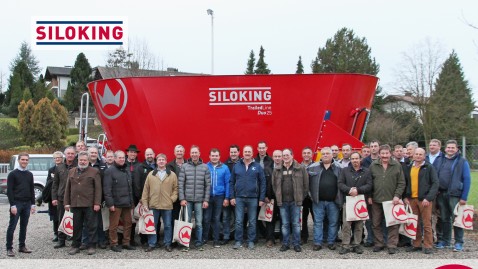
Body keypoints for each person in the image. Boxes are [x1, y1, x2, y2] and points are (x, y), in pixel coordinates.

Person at [435, 140, 471, 252]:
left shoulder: (462, 161)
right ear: (445, 148)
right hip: (441, 193)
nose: (450, 149)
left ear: (457, 149)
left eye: (452, 147)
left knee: (457, 219)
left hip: (455, 194)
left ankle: (459, 242)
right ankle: (445, 240)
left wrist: (464, 197)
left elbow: (467, 179)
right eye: (448, 147)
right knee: (445, 218)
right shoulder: (440, 160)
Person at [369, 144, 406, 254]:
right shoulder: (373, 165)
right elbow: (369, 182)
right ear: (379, 154)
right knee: (375, 223)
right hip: (376, 199)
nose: (385, 155)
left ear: (391, 153)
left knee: (393, 224)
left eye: (387, 153)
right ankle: (379, 243)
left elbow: (401, 183)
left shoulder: (397, 165)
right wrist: (370, 196)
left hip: (391, 200)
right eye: (383, 153)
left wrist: (397, 196)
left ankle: (392, 244)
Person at [64, 151, 102, 255]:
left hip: (89, 203)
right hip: (75, 203)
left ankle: (91, 245)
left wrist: (97, 203)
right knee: (76, 226)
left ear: (88, 161)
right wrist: (66, 203)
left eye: (85, 160)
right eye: (81, 160)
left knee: (91, 226)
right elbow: (68, 188)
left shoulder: (94, 172)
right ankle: (75, 245)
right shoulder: (71, 171)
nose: (83, 161)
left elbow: (98, 189)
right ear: (78, 160)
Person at [272, 149, 309, 252]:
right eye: (284, 155)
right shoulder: (277, 169)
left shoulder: (300, 168)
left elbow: (306, 185)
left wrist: (301, 197)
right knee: (285, 224)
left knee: (296, 223)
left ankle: (296, 244)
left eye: (287, 155)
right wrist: (278, 196)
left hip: (295, 201)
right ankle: (285, 243)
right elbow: (274, 185)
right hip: (283, 201)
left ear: (292, 155)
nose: (285, 157)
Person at [230, 145, 266, 250]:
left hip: (253, 198)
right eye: (245, 151)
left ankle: (251, 241)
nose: (247, 153)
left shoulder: (257, 166)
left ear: (252, 153)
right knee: (239, 221)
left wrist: (261, 198)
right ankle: (238, 241)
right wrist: (232, 196)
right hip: (239, 197)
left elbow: (262, 182)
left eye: (249, 152)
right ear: (242, 153)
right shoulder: (237, 165)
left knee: (252, 221)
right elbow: (231, 182)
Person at [403, 148, 439, 255]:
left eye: (420, 154)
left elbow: (435, 183)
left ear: (424, 156)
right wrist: (405, 196)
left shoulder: (429, 167)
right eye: (416, 154)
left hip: (424, 200)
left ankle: (428, 245)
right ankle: (416, 244)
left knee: (427, 223)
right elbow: (405, 183)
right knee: (415, 223)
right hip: (412, 199)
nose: (418, 156)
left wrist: (428, 198)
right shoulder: (409, 167)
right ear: (413, 155)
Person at [141, 153, 178, 253]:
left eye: (163, 160)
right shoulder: (151, 174)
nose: (161, 161)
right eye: (159, 160)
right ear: (156, 162)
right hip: (154, 204)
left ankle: (167, 244)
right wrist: (145, 203)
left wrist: (172, 199)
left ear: (166, 161)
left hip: (167, 205)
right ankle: (152, 244)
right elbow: (145, 190)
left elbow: (176, 189)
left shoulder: (172, 174)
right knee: (152, 225)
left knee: (168, 225)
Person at [337, 152, 372, 255]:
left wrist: (358, 190)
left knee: (359, 224)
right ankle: (345, 245)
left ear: (360, 159)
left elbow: (369, 185)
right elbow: (340, 183)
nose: (355, 160)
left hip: (360, 200)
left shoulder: (366, 171)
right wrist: (349, 190)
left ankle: (357, 244)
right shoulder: (345, 171)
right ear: (350, 160)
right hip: (348, 200)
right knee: (346, 224)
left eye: (357, 158)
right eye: (353, 159)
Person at [307, 147, 342, 251]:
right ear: (320, 155)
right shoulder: (312, 167)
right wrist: (310, 195)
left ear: (332, 155)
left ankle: (331, 242)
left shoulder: (339, 168)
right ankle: (317, 243)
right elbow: (306, 183)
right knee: (318, 222)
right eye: (323, 153)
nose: (325, 155)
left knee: (333, 222)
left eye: (328, 153)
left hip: (334, 201)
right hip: (318, 201)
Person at [178, 145, 211, 251]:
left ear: (199, 153)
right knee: (186, 222)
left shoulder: (205, 167)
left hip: (199, 200)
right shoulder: (185, 166)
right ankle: (185, 244)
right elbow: (181, 184)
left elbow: (207, 185)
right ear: (190, 154)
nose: (194, 154)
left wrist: (206, 200)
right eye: (192, 153)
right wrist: (182, 198)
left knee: (199, 223)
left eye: (196, 152)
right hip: (187, 200)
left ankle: (198, 243)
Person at [103, 150, 136, 252]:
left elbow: (130, 188)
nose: (122, 159)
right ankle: (113, 243)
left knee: (128, 223)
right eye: (119, 158)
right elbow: (107, 189)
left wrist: (132, 202)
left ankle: (126, 242)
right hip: (116, 204)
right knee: (114, 225)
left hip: (127, 202)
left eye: (123, 158)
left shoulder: (126, 169)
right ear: (115, 158)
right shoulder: (109, 171)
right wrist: (110, 204)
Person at [6, 153, 36, 257]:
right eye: (22, 159)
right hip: (17, 203)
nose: (24, 161)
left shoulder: (29, 174)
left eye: (26, 160)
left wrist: (33, 204)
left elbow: (32, 190)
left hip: (27, 203)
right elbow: (9, 191)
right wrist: (12, 205)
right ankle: (9, 248)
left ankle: (22, 246)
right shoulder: (13, 174)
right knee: (12, 226)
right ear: (19, 160)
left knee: (24, 226)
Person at [203, 148, 231, 247]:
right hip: (208, 196)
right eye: (212, 156)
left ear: (219, 157)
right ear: (209, 156)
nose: (214, 157)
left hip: (220, 197)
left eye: (216, 156)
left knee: (216, 218)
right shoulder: (205, 167)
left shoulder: (225, 168)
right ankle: (205, 239)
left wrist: (227, 197)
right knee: (206, 218)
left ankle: (216, 240)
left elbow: (228, 183)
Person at [52, 146, 77, 249]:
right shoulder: (59, 168)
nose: (70, 155)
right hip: (61, 197)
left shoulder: (78, 166)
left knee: (76, 220)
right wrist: (54, 197)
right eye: (68, 153)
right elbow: (55, 184)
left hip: (75, 197)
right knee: (62, 218)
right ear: (65, 155)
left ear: (75, 155)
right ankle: (61, 240)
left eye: (72, 153)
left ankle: (75, 241)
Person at [134, 148, 157, 247]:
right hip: (145, 199)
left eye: (151, 154)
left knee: (155, 220)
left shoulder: (158, 166)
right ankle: (144, 240)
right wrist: (140, 198)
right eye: (147, 154)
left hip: (155, 198)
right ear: (145, 156)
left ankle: (155, 239)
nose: (149, 156)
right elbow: (137, 183)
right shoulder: (140, 167)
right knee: (144, 219)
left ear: (154, 155)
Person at [166, 144, 186, 247]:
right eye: (177, 151)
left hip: (185, 196)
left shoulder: (188, 164)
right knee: (173, 219)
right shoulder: (169, 166)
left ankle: (183, 240)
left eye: (181, 151)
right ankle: (174, 240)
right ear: (174, 153)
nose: (179, 153)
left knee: (184, 219)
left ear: (184, 152)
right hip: (174, 197)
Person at [426, 138, 444, 244]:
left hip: (441, 191)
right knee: (428, 216)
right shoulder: (426, 157)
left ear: (439, 147)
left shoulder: (443, 158)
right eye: (431, 145)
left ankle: (440, 237)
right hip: (428, 192)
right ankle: (430, 237)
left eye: (434, 145)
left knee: (440, 215)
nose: (432, 146)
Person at [222, 144, 241, 244]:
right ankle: (226, 237)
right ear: (229, 153)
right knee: (226, 217)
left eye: (235, 152)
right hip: (227, 195)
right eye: (231, 152)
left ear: (238, 152)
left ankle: (238, 238)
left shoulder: (242, 163)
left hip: (238, 196)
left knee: (238, 218)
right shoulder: (225, 165)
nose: (233, 154)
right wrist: (227, 196)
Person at [46, 151, 64, 243]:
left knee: (64, 216)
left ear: (62, 158)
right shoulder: (51, 170)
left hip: (63, 195)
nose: (57, 159)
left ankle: (65, 234)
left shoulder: (65, 168)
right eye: (55, 158)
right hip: (53, 195)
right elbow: (48, 182)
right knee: (55, 217)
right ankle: (56, 233)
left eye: (59, 157)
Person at [125, 144, 140, 246]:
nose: (133, 154)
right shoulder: (123, 164)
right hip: (125, 195)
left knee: (134, 218)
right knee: (125, 218)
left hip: (135, 195)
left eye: (134, 152)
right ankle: (124, 238)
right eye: (131, 152)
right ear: (127, 153)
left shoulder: (139, 165)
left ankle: (131, 239)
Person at [300, 146, 315, 244]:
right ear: (302, 154)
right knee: (303, 219)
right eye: (304, 153)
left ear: (312, 154)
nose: (306, 155)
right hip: (302, 197)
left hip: (313, 196)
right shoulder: (297, 166)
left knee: (316, 218)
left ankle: (318, 238)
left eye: (308, 153)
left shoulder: (317, 166)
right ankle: (303, 237)